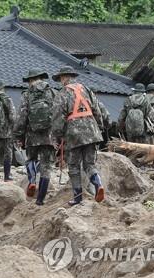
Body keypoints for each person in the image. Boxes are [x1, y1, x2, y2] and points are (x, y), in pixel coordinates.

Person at [52, 66, 105, 206]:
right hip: (92, 130)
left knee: (74, 166)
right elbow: (97, 111)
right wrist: (99, 128)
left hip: (74, 134)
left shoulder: (62, 93)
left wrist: (57, 137)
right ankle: (98, 184)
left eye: (60, 79)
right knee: (89, 164)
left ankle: (77, 197)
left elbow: (58, 118)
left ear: (64, 78)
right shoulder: (86, 89)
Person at [14, 68, 56, 206]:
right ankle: (40, 200)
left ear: (31, 80)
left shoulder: (27, 94)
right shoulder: (52, 92)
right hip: (49, 137)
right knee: (46, 168)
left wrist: (18, 135)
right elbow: (59, 113)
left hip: (32, 136)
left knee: (31, 159)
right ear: (42, 78)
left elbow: (22, 116)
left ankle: (32, 181)